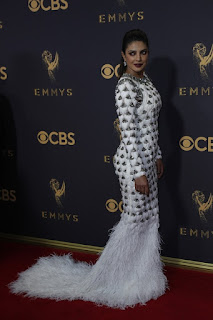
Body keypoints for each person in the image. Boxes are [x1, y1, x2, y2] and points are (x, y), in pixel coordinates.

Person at [9, 29, 169, 309]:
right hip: (132, 165)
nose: (138, 58)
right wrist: (137, 172)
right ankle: (113, 278)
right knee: (133, 221)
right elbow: (129, 132)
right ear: (123, 56)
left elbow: (151, 126)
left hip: (147, 162)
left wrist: (156, 155)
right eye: (132, 53)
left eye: (143, 52)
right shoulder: (125, 86)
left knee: (149, 220)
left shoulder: (146, 82)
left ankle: (141, 274)